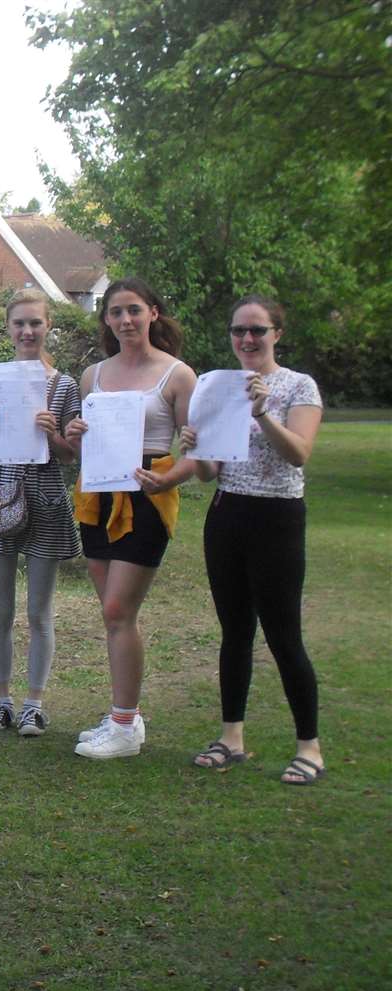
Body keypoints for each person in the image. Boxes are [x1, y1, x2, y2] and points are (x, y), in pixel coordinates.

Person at [182, 296, 325, 784]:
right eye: (239, 330)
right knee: (235, 631)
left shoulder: (298, 386)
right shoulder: (220, 386)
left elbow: (299, 454)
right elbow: (208, 472)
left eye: (258, 331)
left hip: (278, 517)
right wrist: (195, 448)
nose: (247, 339)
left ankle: (309, 746)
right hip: (228, 514)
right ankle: (231, 737)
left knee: (284, 635)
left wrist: (264, 412)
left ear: (276, 334)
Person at [65, 277, 197, 760]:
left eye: (134, 311)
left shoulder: (178, 375)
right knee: (113, 614)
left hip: (147, 497)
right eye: (116, 312)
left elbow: (199, 455)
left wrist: (170, 479)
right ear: (106, 320)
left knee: (120, 610)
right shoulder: (93, 376)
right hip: (98, 493)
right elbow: (82, 441)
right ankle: (126, 715)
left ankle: (124, 725)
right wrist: (75, 433)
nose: (125, 320)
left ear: (153, 314)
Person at [0, 290, 82, 737]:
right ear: (9, 326)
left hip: (47, 500)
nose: (27, 331)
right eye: (19, 323)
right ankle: (1, 700)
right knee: (0, 611)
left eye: (35, 323)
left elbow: (71, 456)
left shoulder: (65, 385)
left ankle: (34, 702)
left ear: (48, 324)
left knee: (39, 611)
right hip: (0, 499)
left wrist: (53, 434)